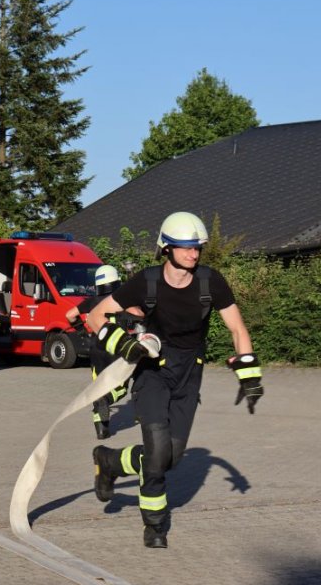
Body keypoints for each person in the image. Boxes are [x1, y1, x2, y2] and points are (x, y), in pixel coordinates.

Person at [86, 211, 264, 549]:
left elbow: (237, 328)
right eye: (186, 248)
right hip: (152, 371)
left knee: (171, 458)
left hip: (189, 373)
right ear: (166, 248)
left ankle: (109, 461)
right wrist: (123, 343)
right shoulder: (146, 281)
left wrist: (249, 374)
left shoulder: (211, 282)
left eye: (197, 248)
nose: (194, 254)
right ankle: (155, 525)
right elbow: (96, 316)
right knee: (155, 457)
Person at [66, 265, 130, 440]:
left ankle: (102, 430)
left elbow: (69, 315)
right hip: (116, 348)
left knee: (98, 389)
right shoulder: (122, 300)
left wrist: (82, 332)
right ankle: (108, 399)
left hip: (96, 349)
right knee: (122, 388)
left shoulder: (91, 301)